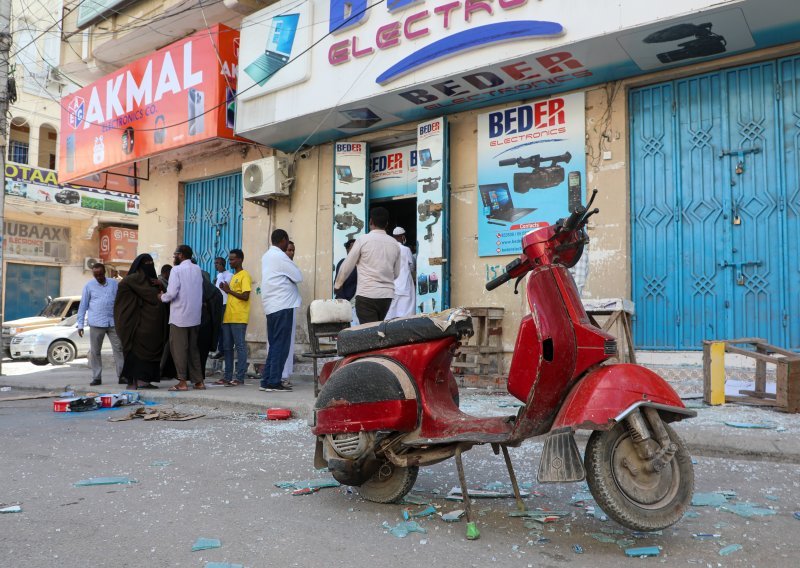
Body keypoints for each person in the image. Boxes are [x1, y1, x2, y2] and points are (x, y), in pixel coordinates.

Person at [334, 206, 401, 323]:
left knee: (369, 333)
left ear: (371, 221)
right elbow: (396, 274)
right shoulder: (394, 244)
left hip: (366, 295)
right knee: (377, 328)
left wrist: (338, 284)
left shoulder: (363, 240)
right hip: (386, 296)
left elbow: (347, 265)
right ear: (387, 224)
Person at [114, 254, 167, 389]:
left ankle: (144, 380)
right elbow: (155, 297)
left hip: (152, 327)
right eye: (146, 263)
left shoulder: (154, 281)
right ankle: (132, 382)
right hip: (134, 325)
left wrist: (161, 285)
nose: (149, 266)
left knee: (149, 356)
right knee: (134, 354)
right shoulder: (130, 281)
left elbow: (164, 297)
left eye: (151, 263)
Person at [260, 229, 302, 392]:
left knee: (274, 345)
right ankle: (274, 381)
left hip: (272, 306)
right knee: (281, 345)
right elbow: (298, 276)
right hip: (282, 305)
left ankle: (267, 380)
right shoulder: (280, 256)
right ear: (283, 240)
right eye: (287, 242)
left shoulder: (267, 256)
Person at [159, 244, 205, 391]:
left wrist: (161, 297)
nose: (174, 258)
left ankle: (182, 382)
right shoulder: (197, 269)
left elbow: (172, 293)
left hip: (180, 317)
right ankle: (198, 381)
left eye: (175, 255)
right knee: (193, 349)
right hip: (195, 316)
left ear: (181, 255)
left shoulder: (176, 270)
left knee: (179, 350)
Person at [77, 263, 124, 386]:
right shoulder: (89, 286)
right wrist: (80, 324)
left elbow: (121, 301)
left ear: (105, 273)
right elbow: (83, 306)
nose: (98, 277)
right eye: (96, 275)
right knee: (95, 351)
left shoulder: (114, 284)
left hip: (113, 322)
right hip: (96, 323)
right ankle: (97, 377)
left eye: (100, 274)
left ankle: (122, 376)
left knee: (119, 349)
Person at [216, 249, 251, 386]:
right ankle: (227, 376)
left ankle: (239, 377)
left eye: (233, 259)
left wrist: (229, 290)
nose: (230, 262)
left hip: (239, 317)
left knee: (240, 347)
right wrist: (226, 290)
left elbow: (245, 296)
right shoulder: (234, 276)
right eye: (229, 259)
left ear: (240, 259)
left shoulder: (245, 275)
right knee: (227, 347)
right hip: (228, 316)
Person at [385, 227, 417, 319]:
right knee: (406, 311)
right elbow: (412, 266)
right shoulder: (405, 249)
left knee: (391, 312)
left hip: (391, 284)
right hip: (404, 283)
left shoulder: (387, 249)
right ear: (403, 237)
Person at [198, 270, 224, 382]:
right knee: (202, 353)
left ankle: (196, 377)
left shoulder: (209, 292)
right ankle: (199, 377)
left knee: (198, 352)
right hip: (207, 325)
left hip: (200, 325)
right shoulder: (214, 291)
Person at [210, 257, 232, 359]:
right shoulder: (219, 275)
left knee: (224, 329)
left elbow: (224, 286)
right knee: (218, 328)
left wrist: (220, 276)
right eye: (215, 263)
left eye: (218, 263)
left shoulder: (229, 275)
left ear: (223, 264)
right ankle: (219, 349)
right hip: (218, 305)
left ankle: (224, 351)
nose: (216, 265)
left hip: (225, 304)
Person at [282, 241, 296, 385]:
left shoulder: (292, 266)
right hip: (281, 308)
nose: (291, 253)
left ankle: (286, 374)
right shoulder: (281, 265)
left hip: (290, 307)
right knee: (280, 342)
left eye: (292, 250)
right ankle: (281, 375)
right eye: (288, 250)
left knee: (289, 341)